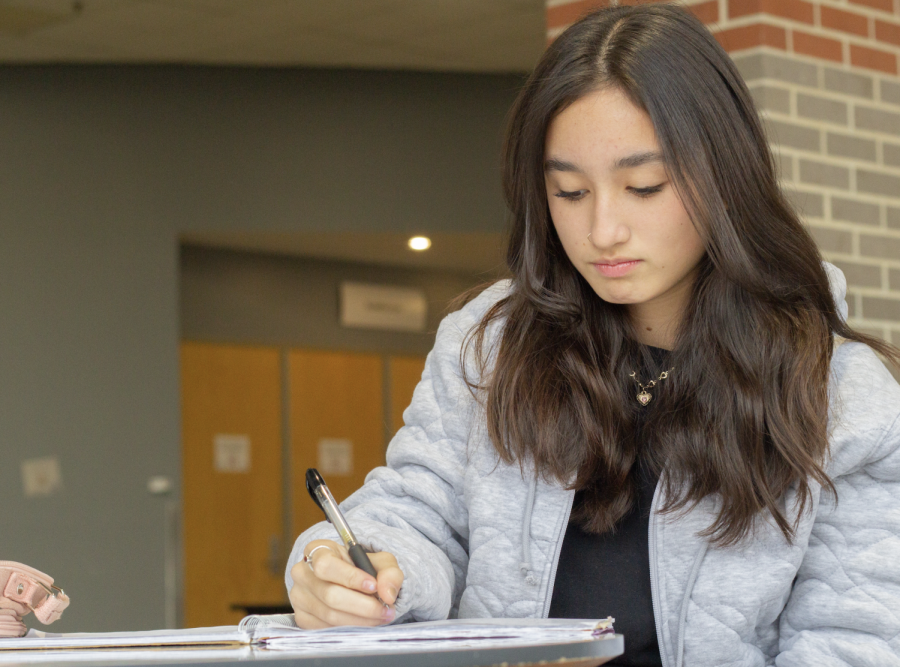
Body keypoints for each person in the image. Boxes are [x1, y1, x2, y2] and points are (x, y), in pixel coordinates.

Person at [285, 4, 900, 665]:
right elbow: (416, 512)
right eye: (570, 193)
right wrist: (340, 567)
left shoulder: (842, 395)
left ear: (726, 178)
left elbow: (854, 641)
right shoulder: (488, 347)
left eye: (643, 186)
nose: (603, 229)